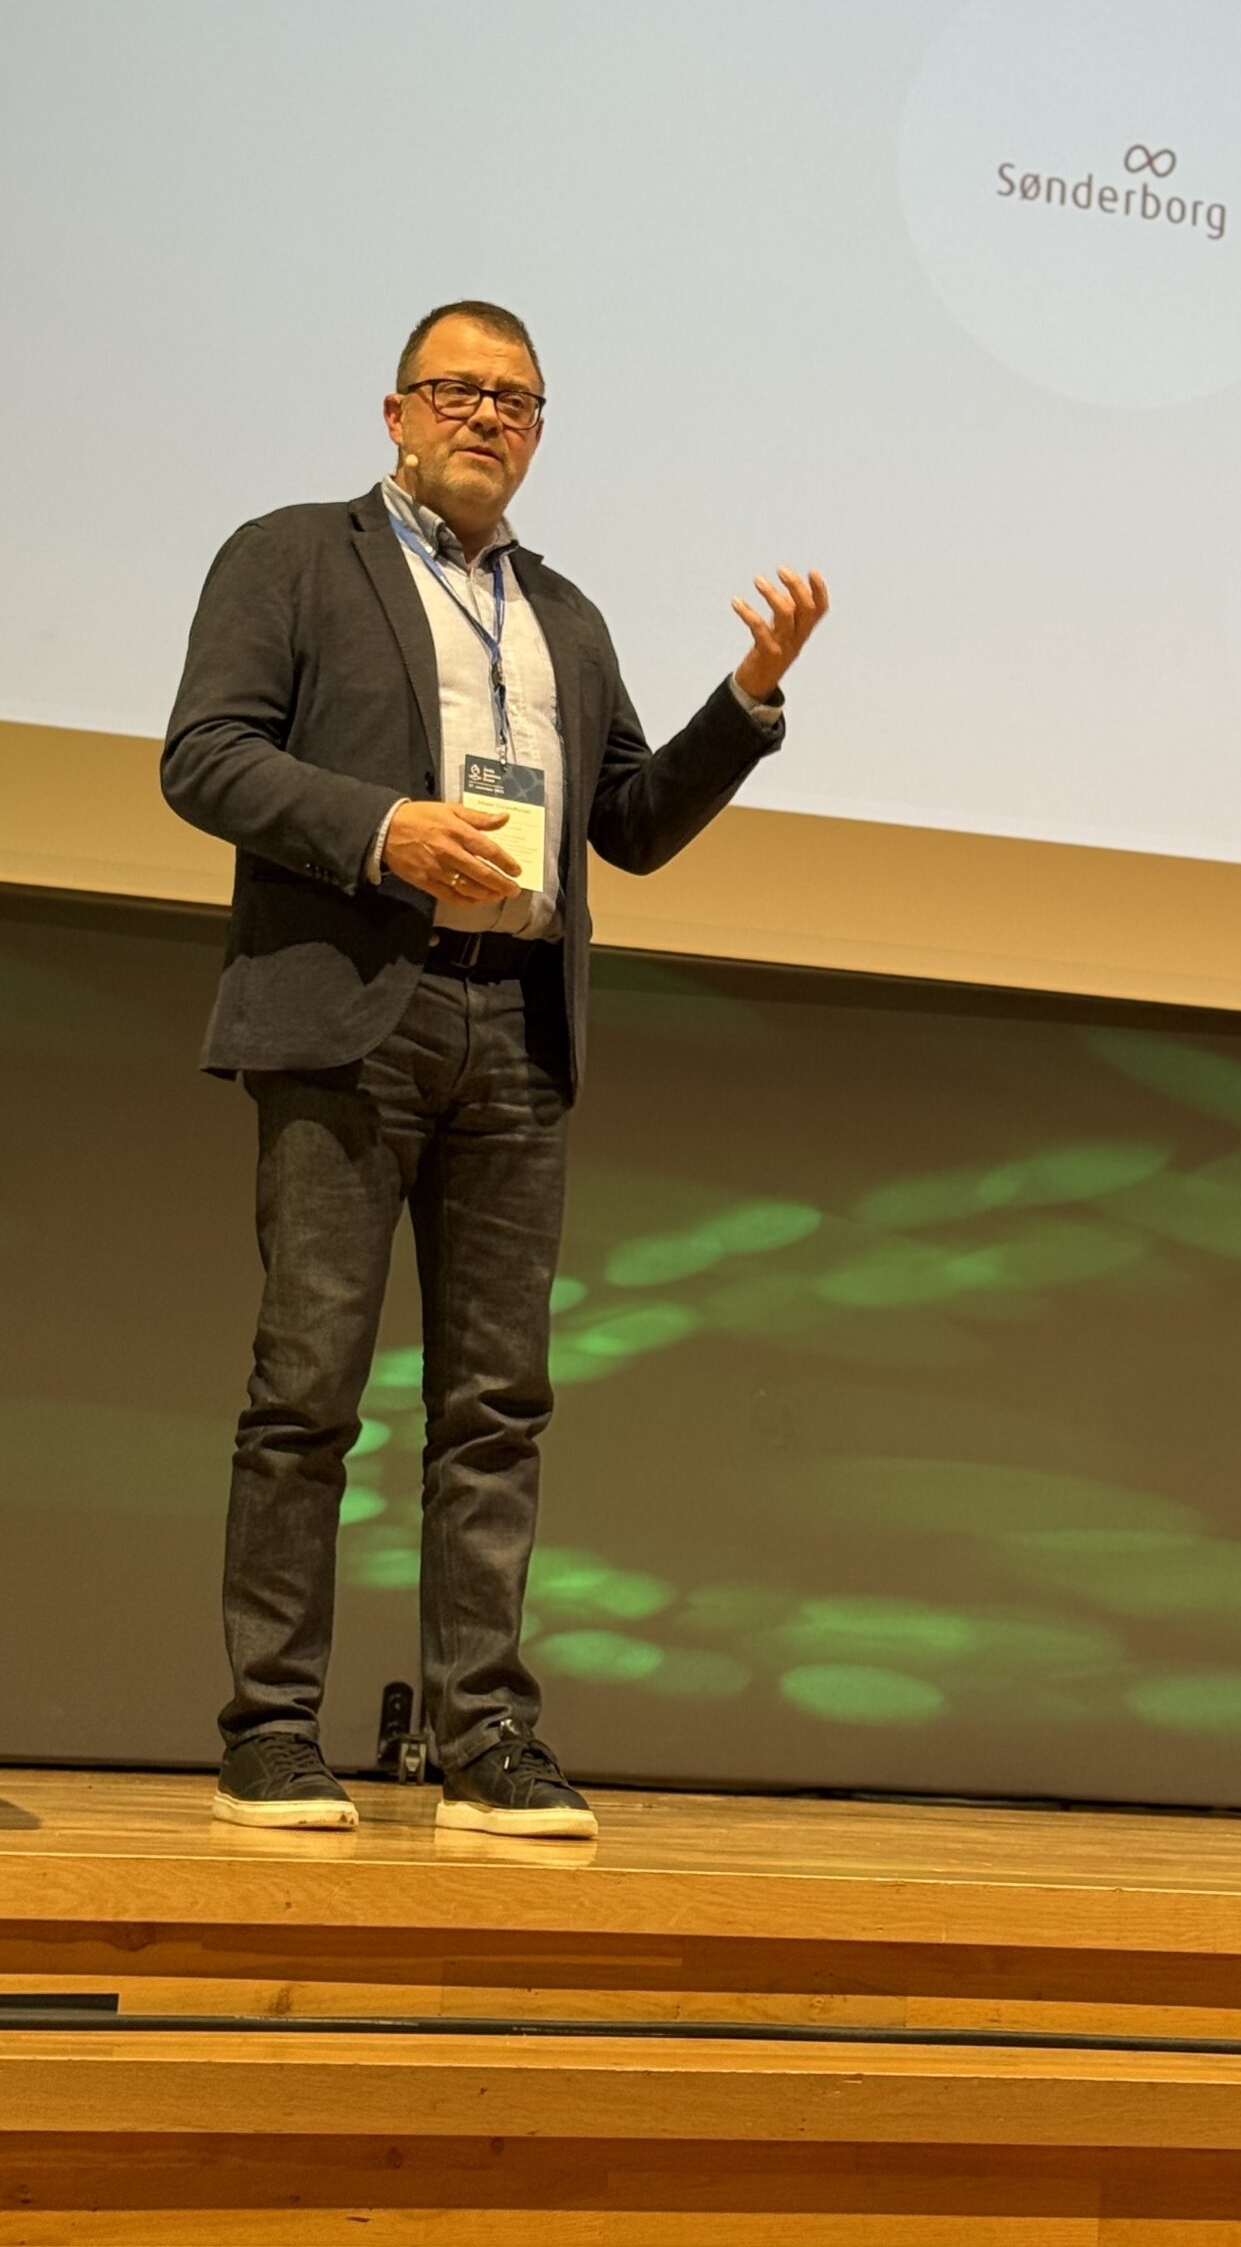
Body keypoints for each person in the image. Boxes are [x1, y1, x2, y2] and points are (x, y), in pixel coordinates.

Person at [161, 300, 827, 1837]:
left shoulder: (564, 616)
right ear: (396, 413)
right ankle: (272, 1728)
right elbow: (204, 756)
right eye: (456, 390)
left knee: (495, 1408)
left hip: (516, 1025)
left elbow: (631, 827)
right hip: (356, 1013)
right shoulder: (293, 556)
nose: (487, 417)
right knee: (307, 1394)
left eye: (516, 401)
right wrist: (383, 829)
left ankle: (484, 1737)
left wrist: (749, 700)